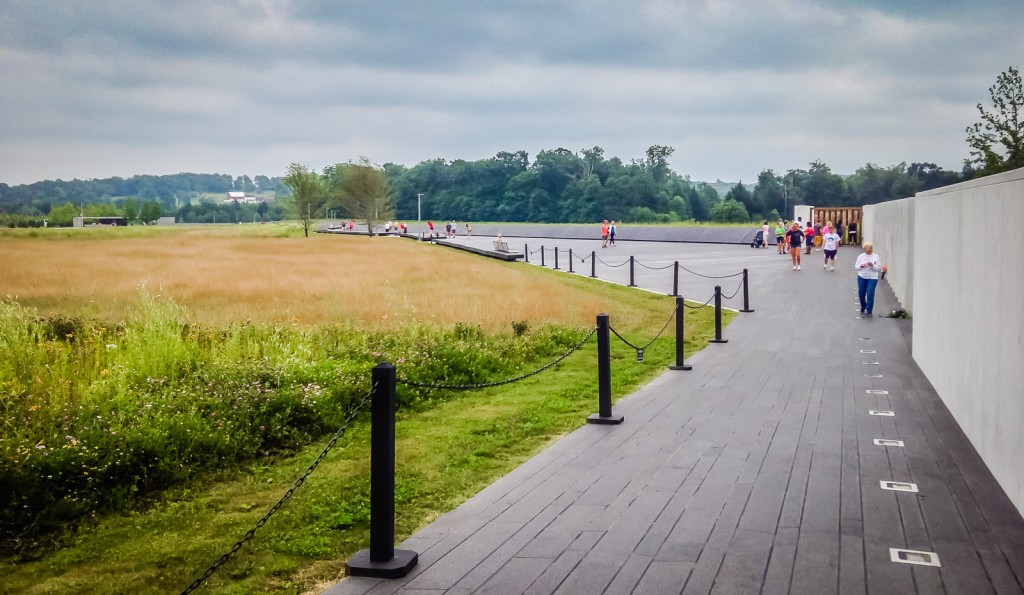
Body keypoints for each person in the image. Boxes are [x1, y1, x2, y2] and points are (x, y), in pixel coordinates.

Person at [855, 242, 882, 316]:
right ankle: (863, 306)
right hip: (862, 276)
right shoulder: (860, 257)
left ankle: (869, 310)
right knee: (861, 293)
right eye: (869, 248)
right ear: (865, 249)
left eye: (871, 248)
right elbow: (856, 267)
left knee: (870, 293)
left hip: (872, 277)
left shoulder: (876, 256)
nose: (870, 250)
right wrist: (861, 266)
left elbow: (878, 268)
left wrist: (872, 265)